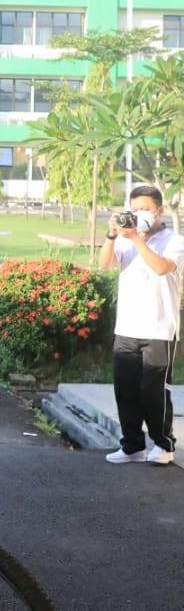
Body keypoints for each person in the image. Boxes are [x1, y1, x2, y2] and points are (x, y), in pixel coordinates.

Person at [98, 184, 184, 467]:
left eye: (145, 209)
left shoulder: (174, 241)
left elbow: (161, 268)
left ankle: (163, 444)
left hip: (159, 329)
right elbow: (104, 264)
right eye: (134, 208)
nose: (139, 214)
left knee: (154, 391)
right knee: (126, 390)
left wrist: (136, 238)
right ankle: (132, 445)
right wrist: (113, 235)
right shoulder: (124, 238)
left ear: (159, 210)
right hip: (127, 328)